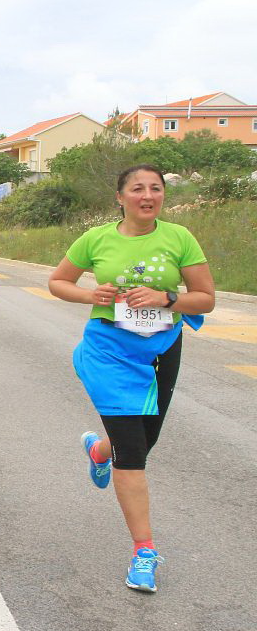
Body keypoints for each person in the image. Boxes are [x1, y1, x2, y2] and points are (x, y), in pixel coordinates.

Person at [48, 164, 213, 594]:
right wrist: (90, 294)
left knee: (144, 440)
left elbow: (206, 299)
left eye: (155, 189)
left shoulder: (180, 238)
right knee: (135, 453)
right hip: (108, 350)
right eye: (137, 189)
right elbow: (58, 282)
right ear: (120, 197)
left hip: (161, 348)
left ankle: (100, 451)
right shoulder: (96, 239)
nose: (147, 195)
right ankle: (144, 552)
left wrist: (168, 297)